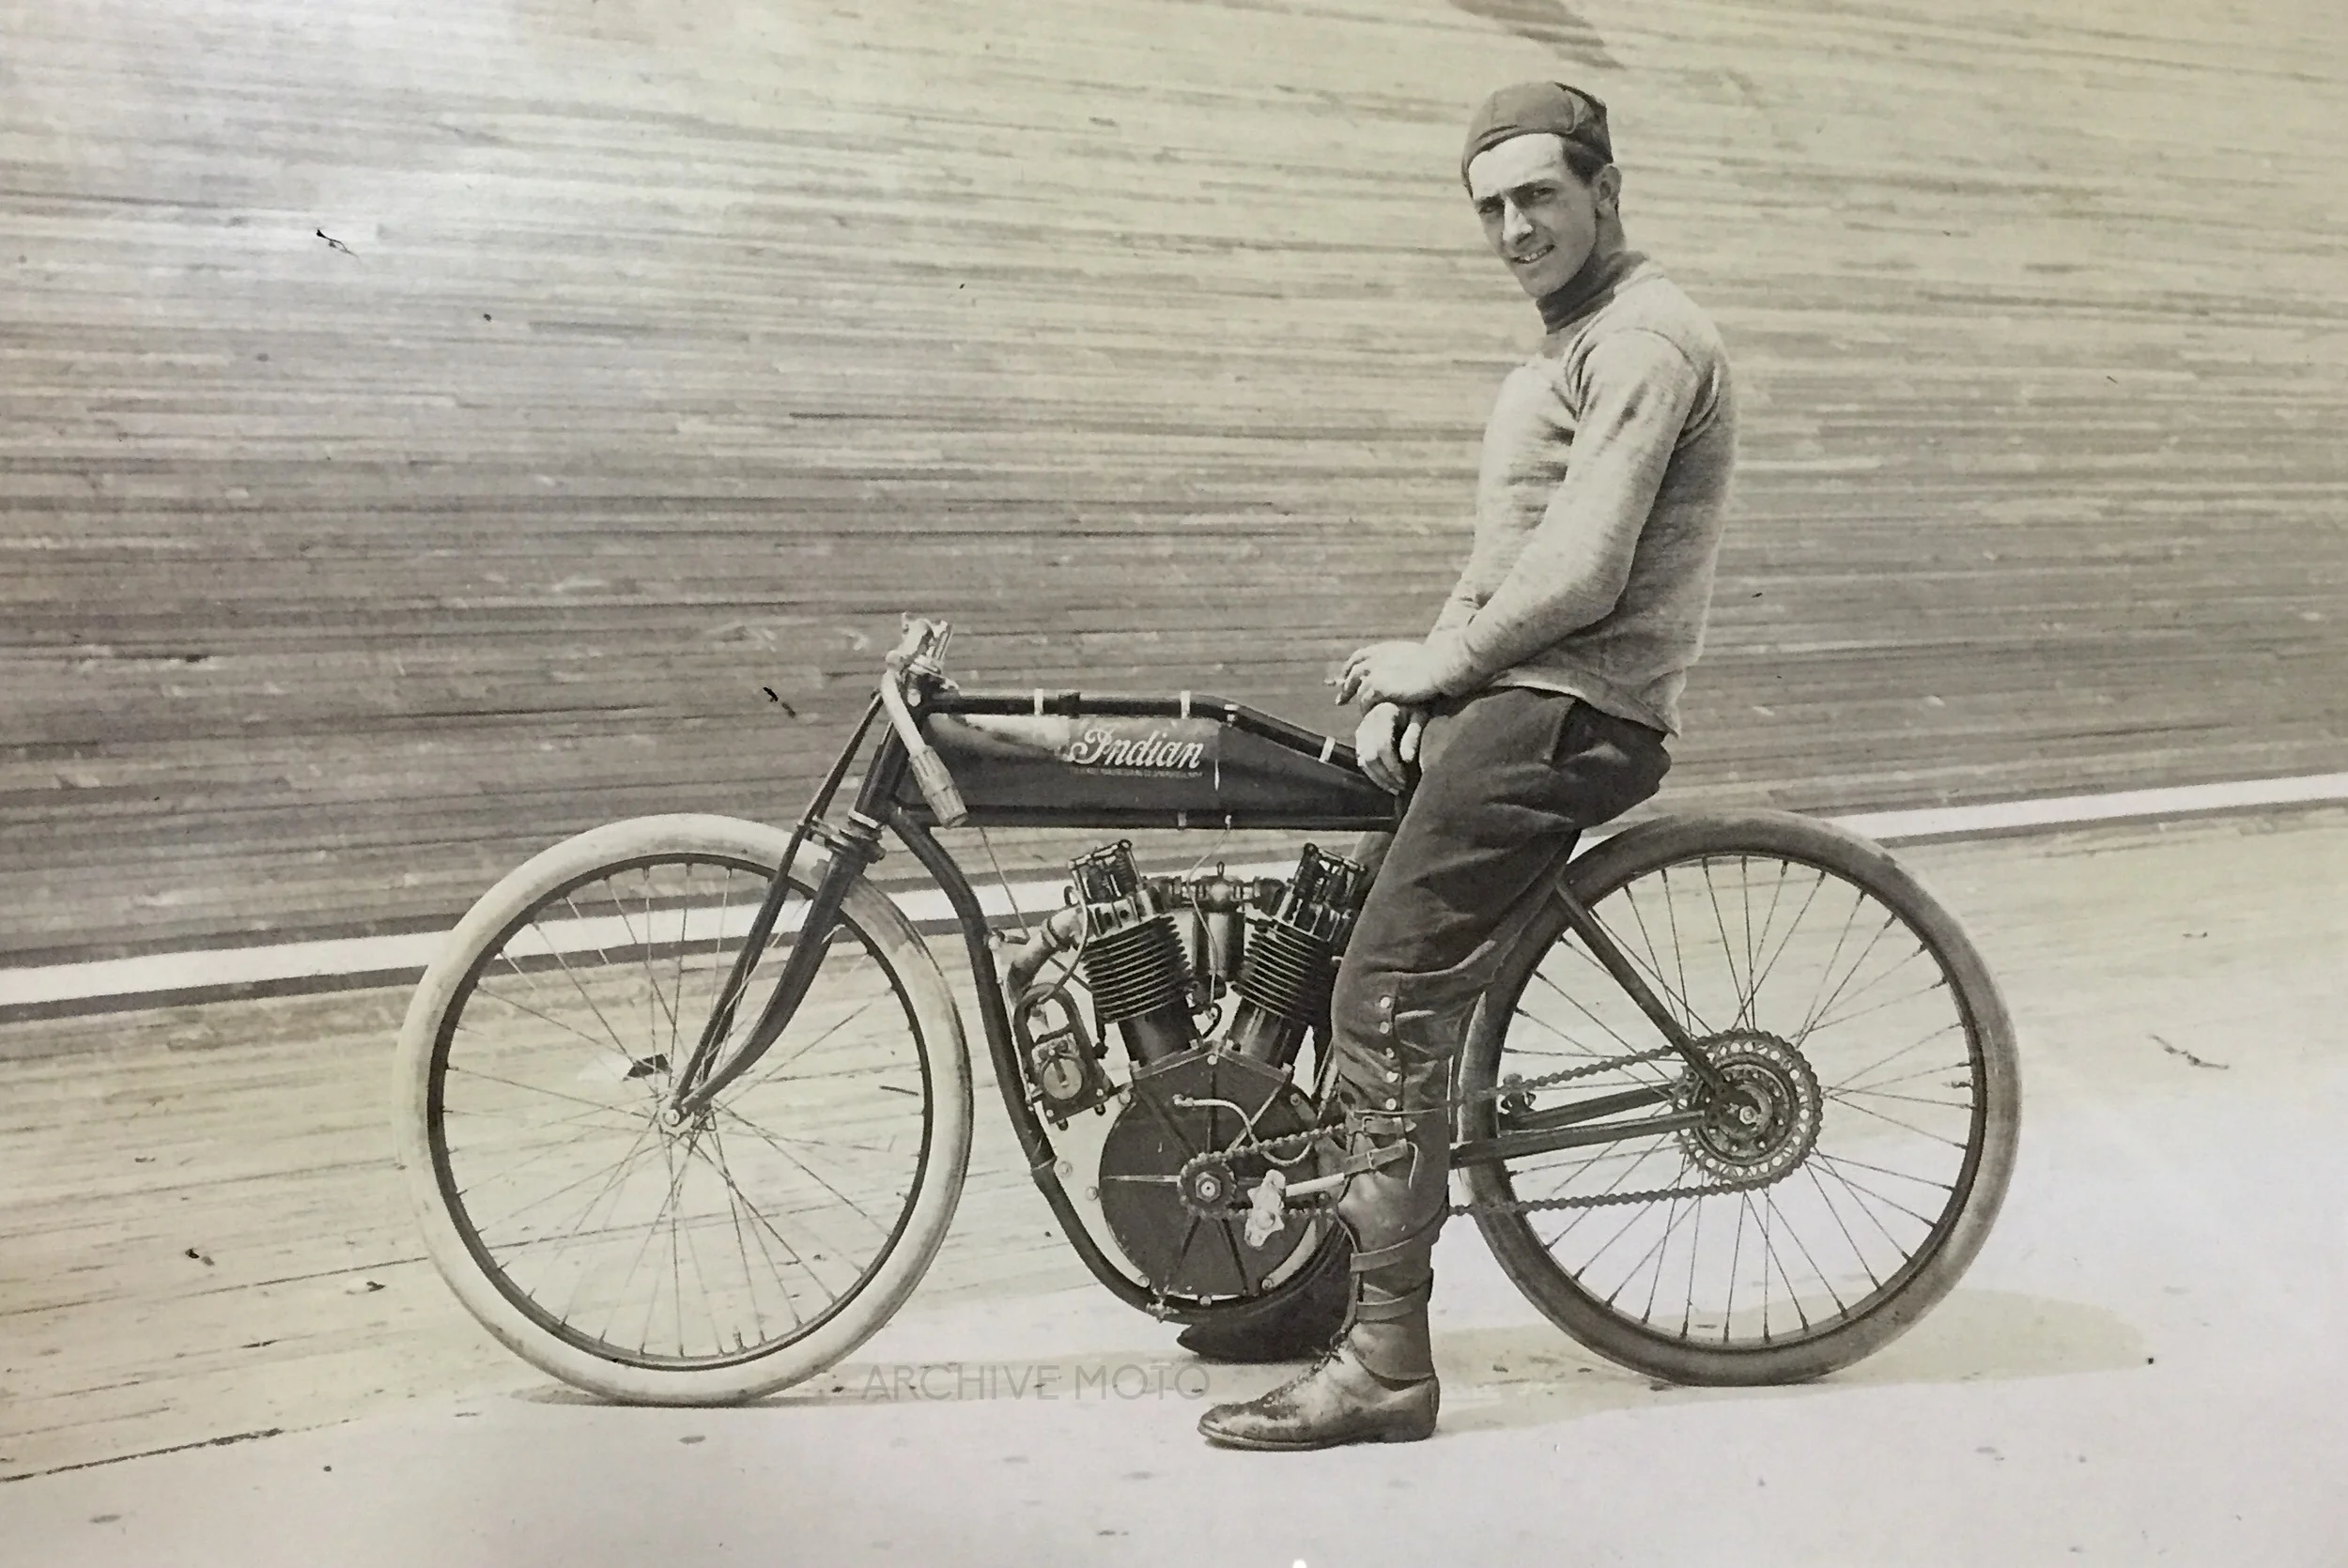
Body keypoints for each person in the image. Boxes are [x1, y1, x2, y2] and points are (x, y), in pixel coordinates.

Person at [1190, 80, 1739, 1450]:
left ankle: (1385, 1362)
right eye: (1491, 207)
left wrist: (1450, 668)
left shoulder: (1647, 338)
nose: (1514, 228)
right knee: (1320, 932)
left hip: (1570, 705)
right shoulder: (1566, 347)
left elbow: (1585, 563)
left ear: (1605, 192)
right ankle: (1322, 1278)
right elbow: (1503, 561)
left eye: (1539, 197)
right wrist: (1421, 672)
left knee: (1382, 999)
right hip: (1514, 690)